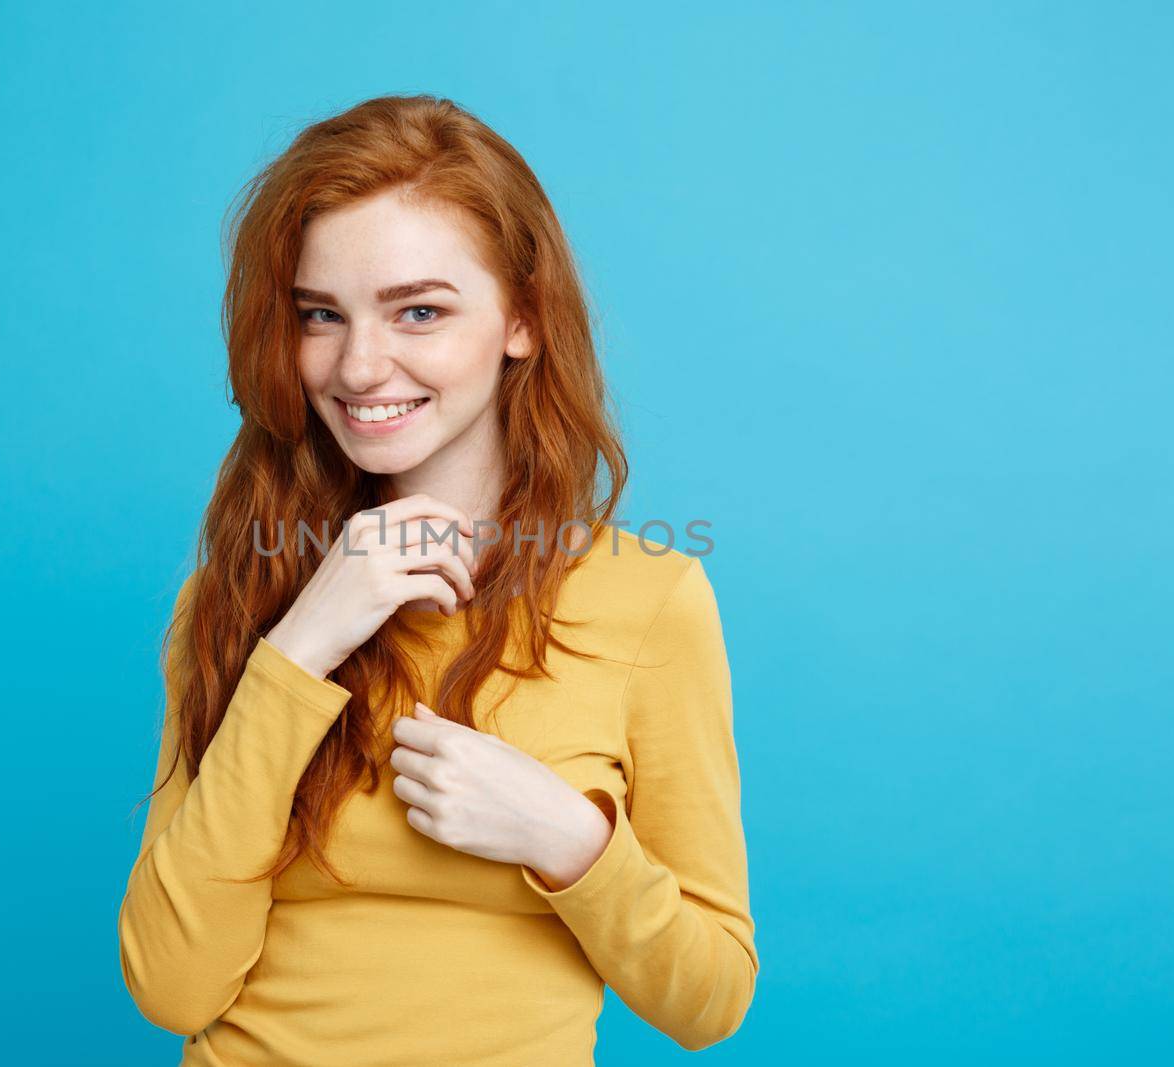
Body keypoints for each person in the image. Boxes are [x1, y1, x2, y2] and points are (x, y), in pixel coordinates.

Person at [116, 93, 757, 1066]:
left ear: (522, 320)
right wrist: (298, 650)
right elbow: (172, 985)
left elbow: (708, 1000)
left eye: (418, 309)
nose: (361, 366)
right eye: (320, 315)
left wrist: (571, 843)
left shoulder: (647, 602)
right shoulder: (234, 596)